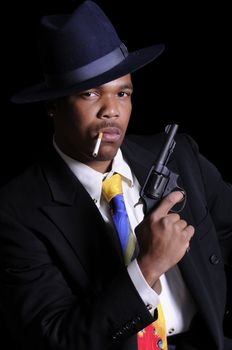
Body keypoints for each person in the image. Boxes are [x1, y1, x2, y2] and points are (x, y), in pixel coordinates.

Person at [0, 1, 231, 349]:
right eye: (90, 93)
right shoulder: (16, 211)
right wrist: (148, 267)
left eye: (122, 93)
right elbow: (57, 338)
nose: (111, 110)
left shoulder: (182, 157)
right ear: (53, 105)